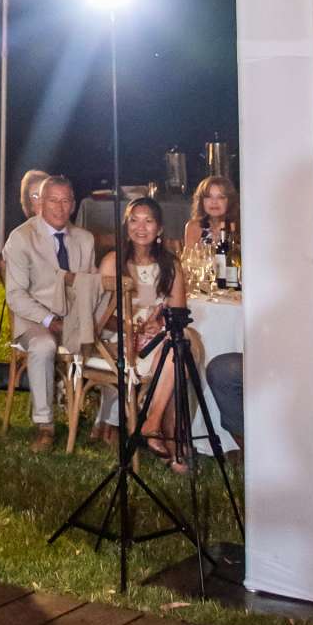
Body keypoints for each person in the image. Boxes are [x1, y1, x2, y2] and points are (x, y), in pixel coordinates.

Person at [3, 173, 97, 451]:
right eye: (52, 200)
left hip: (75, 319)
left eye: (65, 200)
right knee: (43, 345)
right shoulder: (21, 238)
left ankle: (108, 423)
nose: (59, 207)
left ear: (73, 204)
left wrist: (81, 320)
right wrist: (50, 321)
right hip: (35, 319)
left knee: (113, 342)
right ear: (40, 203)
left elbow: (90, 288)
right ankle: (45, 425)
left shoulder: (85, 239)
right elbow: (15, 295)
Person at [117, 196, 189, 469]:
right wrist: (128, 326)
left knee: (179, 345)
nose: (140, 227)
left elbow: (178, 315)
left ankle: (151, 422)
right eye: (134, 220)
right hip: (121, 341)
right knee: (179, 354)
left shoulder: (170, 266)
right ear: (126, 226)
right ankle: (176, 448)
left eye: (148, 221)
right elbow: (98, 316)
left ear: (159, 229)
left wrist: (159, 324)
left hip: (159, 340)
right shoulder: (114, 261)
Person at [184, 173, 239, 280]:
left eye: (221, 197)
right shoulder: (194, 227)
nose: (214, 202)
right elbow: (189, 266)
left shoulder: (239, 226)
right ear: (201, 201)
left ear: (230, 201)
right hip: (205, 288)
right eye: (208, 197)